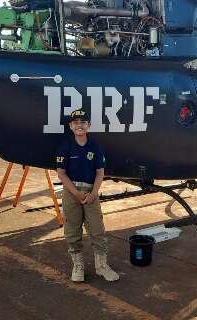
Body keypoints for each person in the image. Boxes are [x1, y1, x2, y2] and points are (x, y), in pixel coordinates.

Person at [56, 109, 119, 282]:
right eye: (76, 123)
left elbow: (100, 173)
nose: (79, 126)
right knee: (72, 230)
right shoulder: (65, 147)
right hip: (71, 192)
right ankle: (78, 266)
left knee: (98, 230)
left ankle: (101, 266)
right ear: (71, 126)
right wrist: (75, 192)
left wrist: (93, 194)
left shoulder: (95, 147)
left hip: (91, 192)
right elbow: (61, 173)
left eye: (83, 122)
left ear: (88, 125)